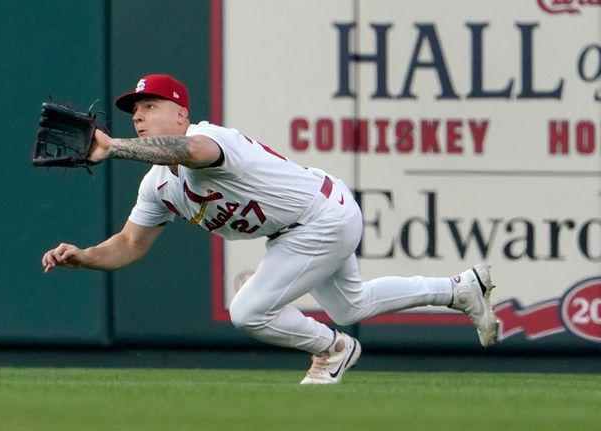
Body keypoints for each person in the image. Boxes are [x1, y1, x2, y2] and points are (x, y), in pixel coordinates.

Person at [41, 74, 500, 384]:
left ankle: (333, 350)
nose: (138, 116)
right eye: (134, 109)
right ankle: (460, 289)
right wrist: (82, 257)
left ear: (181, 113)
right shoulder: (158, 186)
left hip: (322, 217)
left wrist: (115, 148)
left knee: (248, 311)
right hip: (305, 223)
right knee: (349, 304)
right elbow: (128, 244)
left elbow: (193, 151)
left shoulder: (212, 137)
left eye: (150, 105)